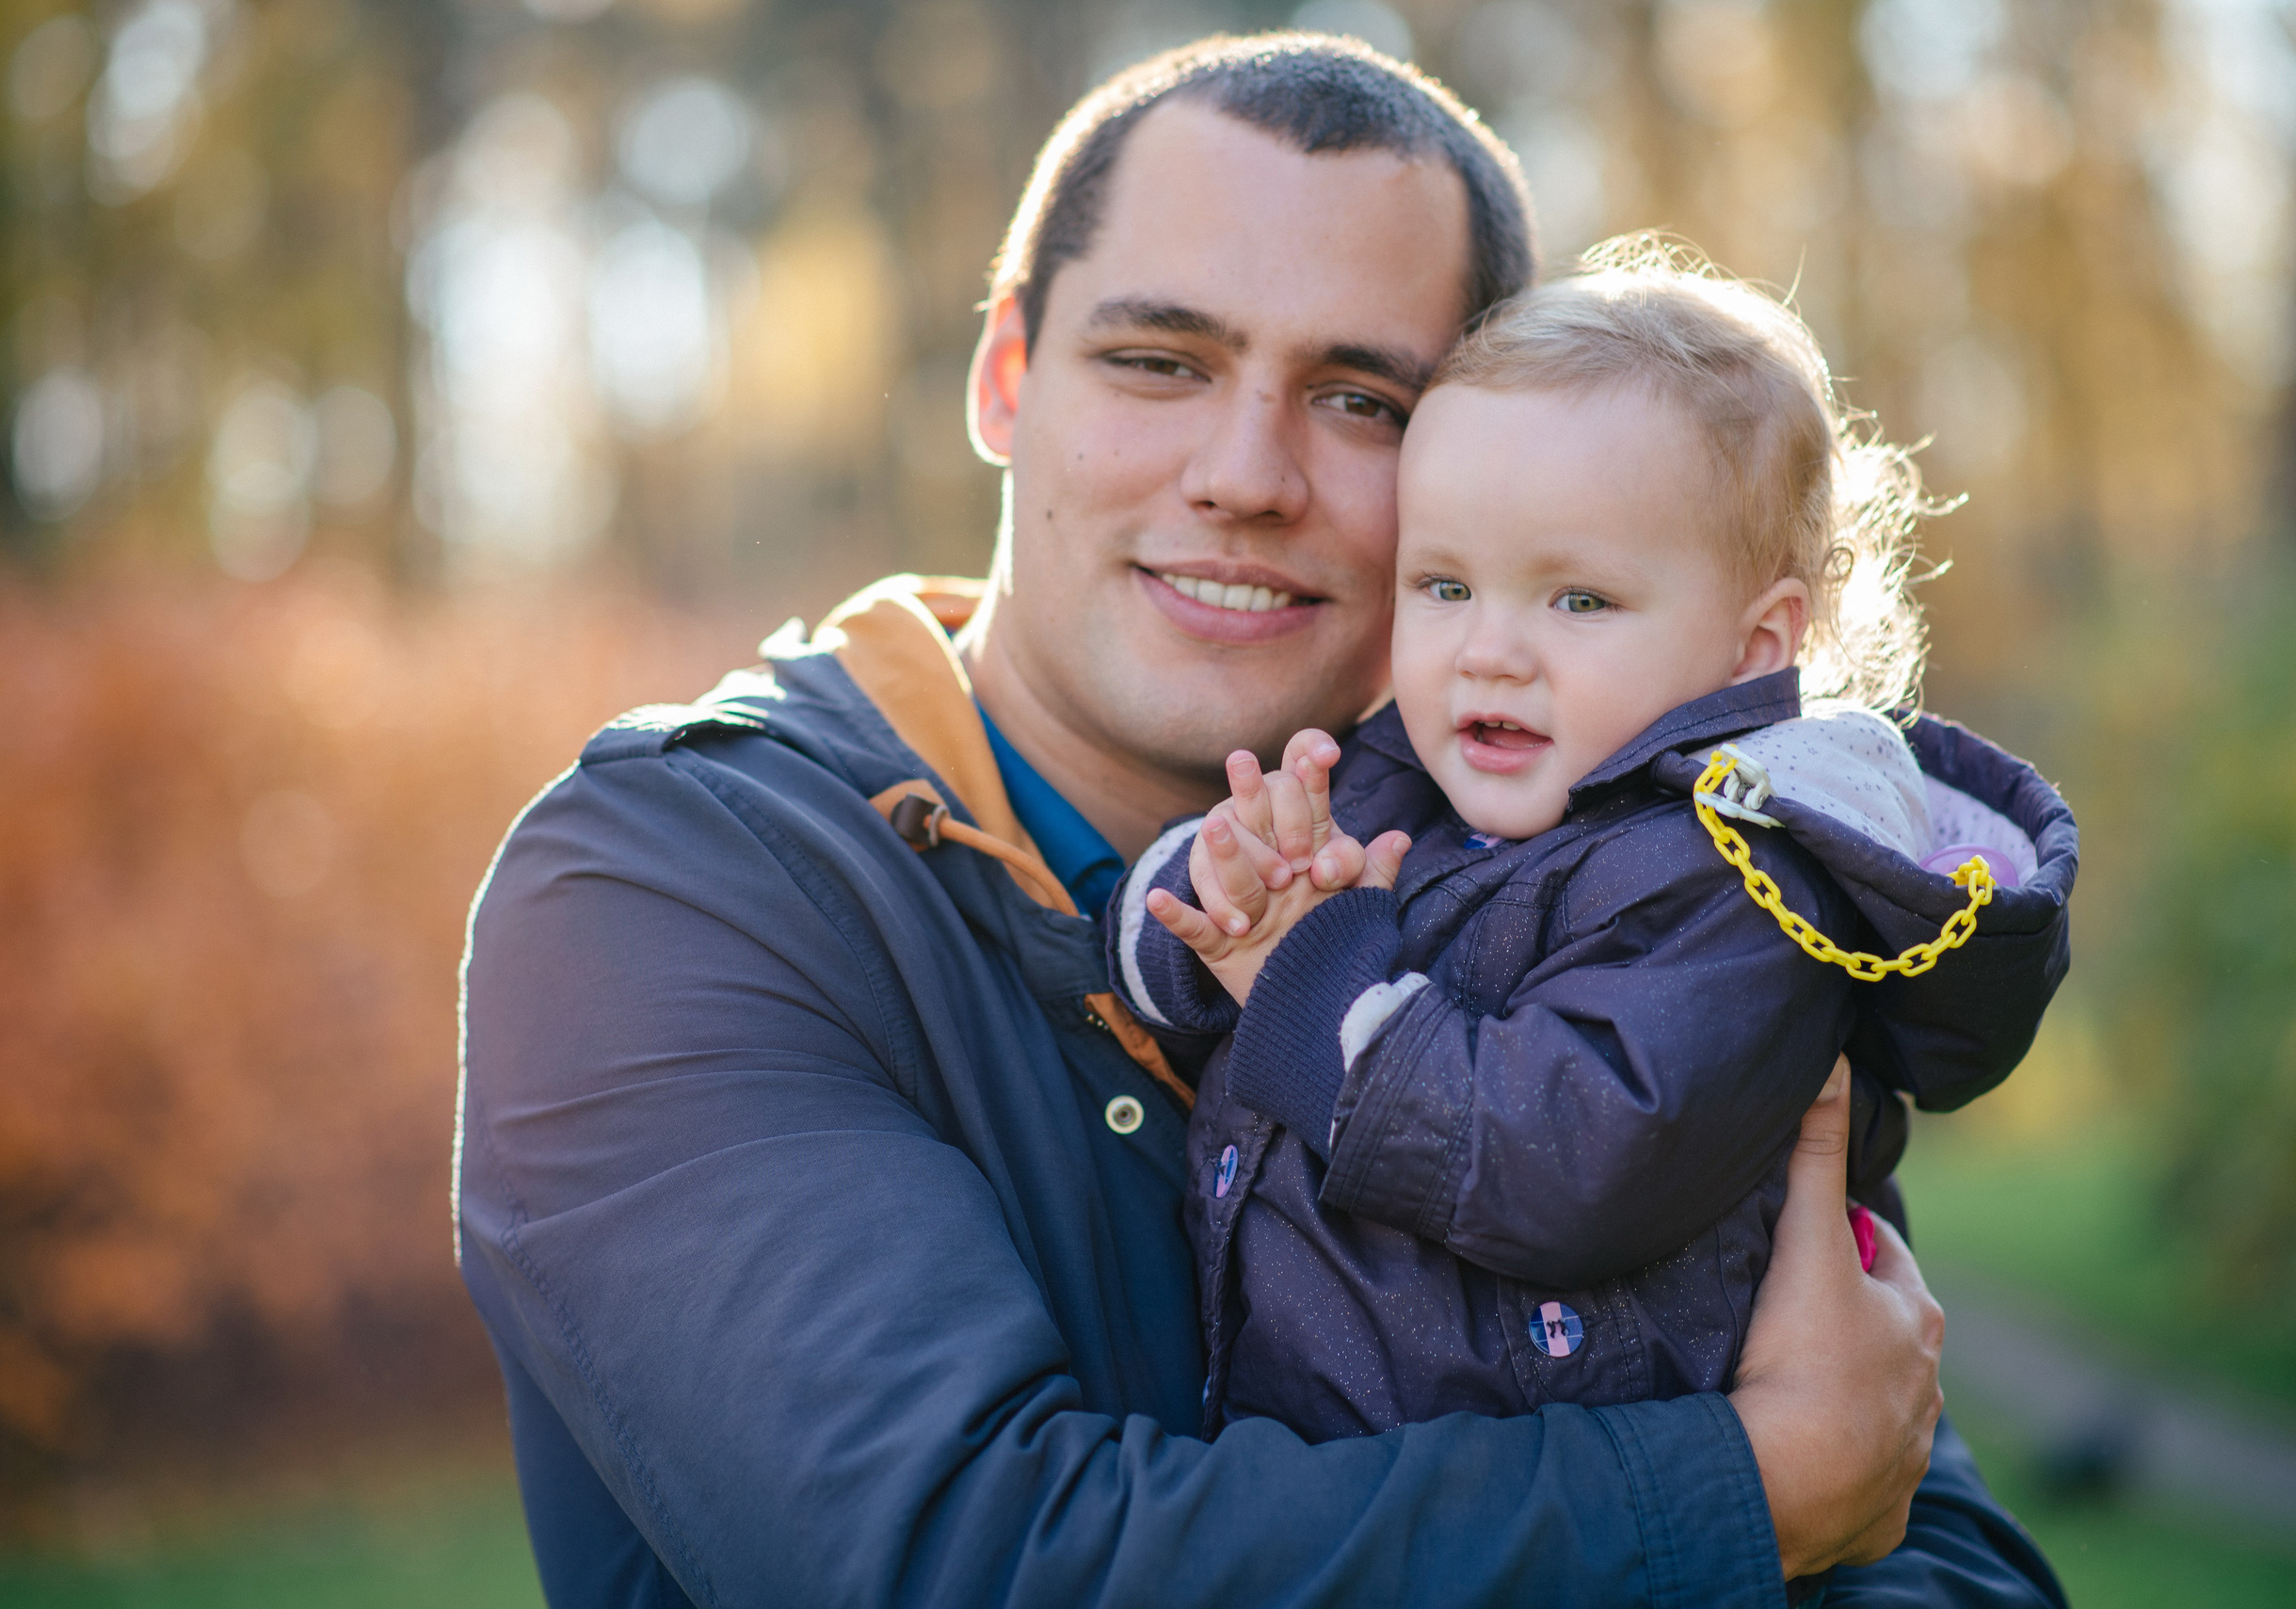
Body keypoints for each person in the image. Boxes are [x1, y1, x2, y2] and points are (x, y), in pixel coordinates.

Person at [454, 34, 2064, 1607]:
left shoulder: (1609, 880)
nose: (1245, 472)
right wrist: (1737, 1494)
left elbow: (1919, 1513)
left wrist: (1820, 1489)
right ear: (1006, 377)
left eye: (1361, 397)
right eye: (1157, 359)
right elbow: (962, 1557)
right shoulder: (660, 893)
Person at [1104, 243, 2077, 1450]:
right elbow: (1208, 973)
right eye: (1444, 585)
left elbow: (1558, 1161)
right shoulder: (1397, 772)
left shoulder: (1738, 892)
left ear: (1755, 643)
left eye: (1576, 600)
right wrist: (1218, 907)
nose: (1489, 651)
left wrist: (1306, 970)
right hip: (1332, 1476)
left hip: (1548, 1506)